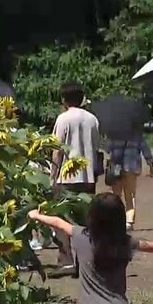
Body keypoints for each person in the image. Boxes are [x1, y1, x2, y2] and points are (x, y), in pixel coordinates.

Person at [51, 82, 101, 272]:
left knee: (62, 218)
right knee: (86, 219)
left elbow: (57, 149)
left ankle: (66, 259)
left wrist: (53, 175)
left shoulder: (63, 119)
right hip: (87, 176)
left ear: (63, 99)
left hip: (66, 177)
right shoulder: (92, 119)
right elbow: (96, 147)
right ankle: (86, 259)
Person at [105, 130, 153, 229]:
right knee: (130, 195)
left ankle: (115, 219)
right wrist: (151, 165)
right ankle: (129, 221)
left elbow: (107, 149)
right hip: (132, 167)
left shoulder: (114, 133)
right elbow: (145, 149)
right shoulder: (137, 134)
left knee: (116, 195)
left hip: (116, 167)